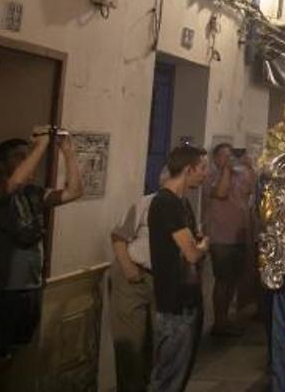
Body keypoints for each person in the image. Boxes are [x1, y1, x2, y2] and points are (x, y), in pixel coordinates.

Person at [0, 131, 82, 388]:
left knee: (15, 358)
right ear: (0, 165)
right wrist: (41, 144)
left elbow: (74, 192)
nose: (29, 160)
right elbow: (11, 186)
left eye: (28, 155)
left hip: (29, 287)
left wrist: (68, 151)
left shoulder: (33, 193)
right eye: (19, 157)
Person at [149, 145, 210, 392]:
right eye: (203, 168)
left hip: (189, 297)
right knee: (168, 375)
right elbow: (192, 253)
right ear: (188, 169)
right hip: (174, 302)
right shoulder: (166, 203)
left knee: (179, 373)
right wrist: (204, 246)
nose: (206, 174)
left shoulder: (182, 203)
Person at [203, 143, 257, 336]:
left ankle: (228, 318)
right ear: (216, 159)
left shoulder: (241, 175)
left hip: (240, 236)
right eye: (225, 156)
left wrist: (249, 166)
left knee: (235, 280)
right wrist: (226, 170)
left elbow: (254, 189)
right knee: (223, 280)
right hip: (221, 237)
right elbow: (221, 192)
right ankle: (219, 322)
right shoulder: (210, 177)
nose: (229, 159)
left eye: (231, 156)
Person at [110, 191, 157, 392]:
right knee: (130, 343)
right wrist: (129, 268)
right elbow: (118, 235)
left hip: (159, 280)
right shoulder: (146, 203)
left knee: (152, 343)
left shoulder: (182, 208)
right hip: (135, 274)